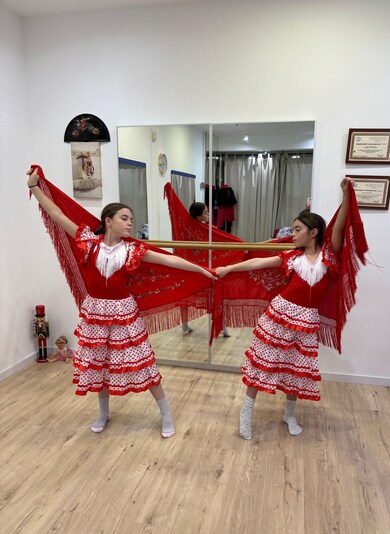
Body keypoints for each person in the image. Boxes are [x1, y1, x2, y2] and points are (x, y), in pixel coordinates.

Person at [26, 167, 216, 437]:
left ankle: (165, 413)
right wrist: (34, 187)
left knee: (143, 363)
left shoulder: (134, 250)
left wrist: (201, 270)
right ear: (108, 221)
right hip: (95, 312)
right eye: (124, 218)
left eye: (131, 219)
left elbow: (170, 260)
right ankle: (104, 412)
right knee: (100, 364)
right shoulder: (87, 242)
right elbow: (57, 215)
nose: (130, 223)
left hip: (124, 314)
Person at [215, 177, 356, 439]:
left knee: (297, 367)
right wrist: (229, 268)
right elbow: (256, 264)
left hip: (307, 320)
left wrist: (346, 196)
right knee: (263, 363)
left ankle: (289, 414)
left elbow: (340, 227)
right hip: (281, 315)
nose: (292, 234)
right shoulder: (289, 257)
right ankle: (246, 411)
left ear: (313, 233)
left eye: (297, 229)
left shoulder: (330, 256)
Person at [180, 201, 231, 337]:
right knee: (214, 296)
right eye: (206, 213)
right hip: (199, 269)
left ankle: (186, 327)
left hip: (194, 268)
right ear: (198, 217)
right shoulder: (205, 230)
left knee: (187, 298)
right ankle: (222, 328)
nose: (209, 215)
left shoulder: (188, 230)